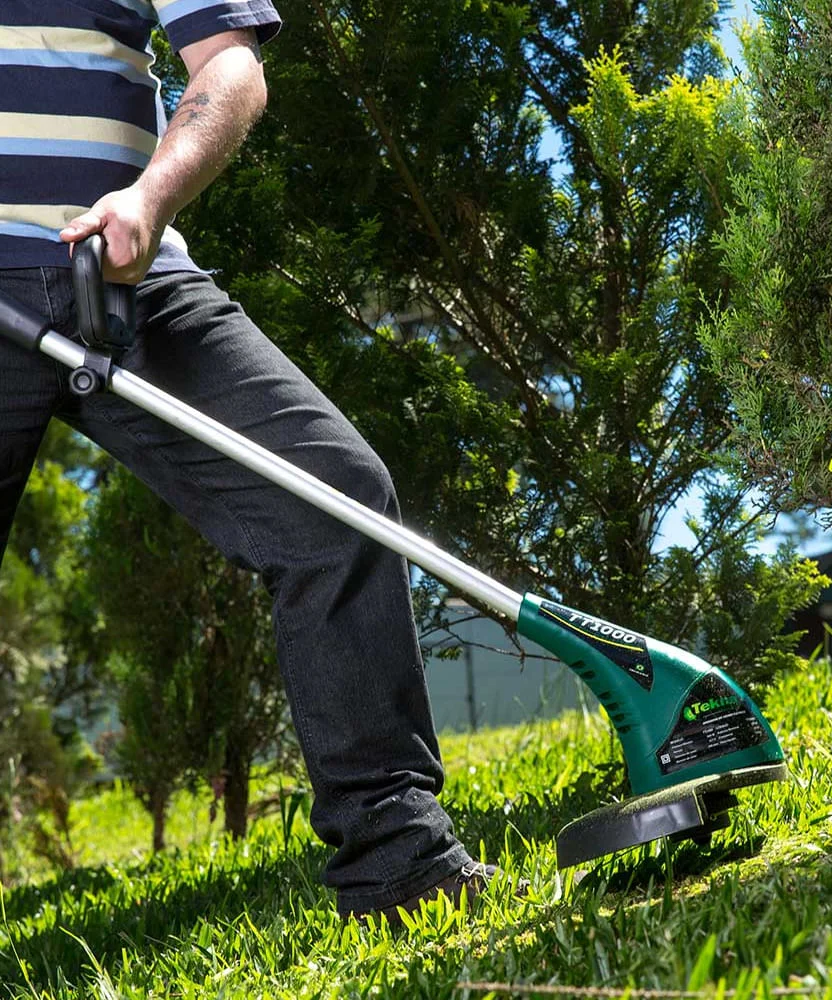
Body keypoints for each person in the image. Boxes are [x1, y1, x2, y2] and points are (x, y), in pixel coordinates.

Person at [0, 1, 500, 923]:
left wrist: (149, 202)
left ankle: (400, 863)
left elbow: (229, 67)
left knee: (336, 500)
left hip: (125, 274)